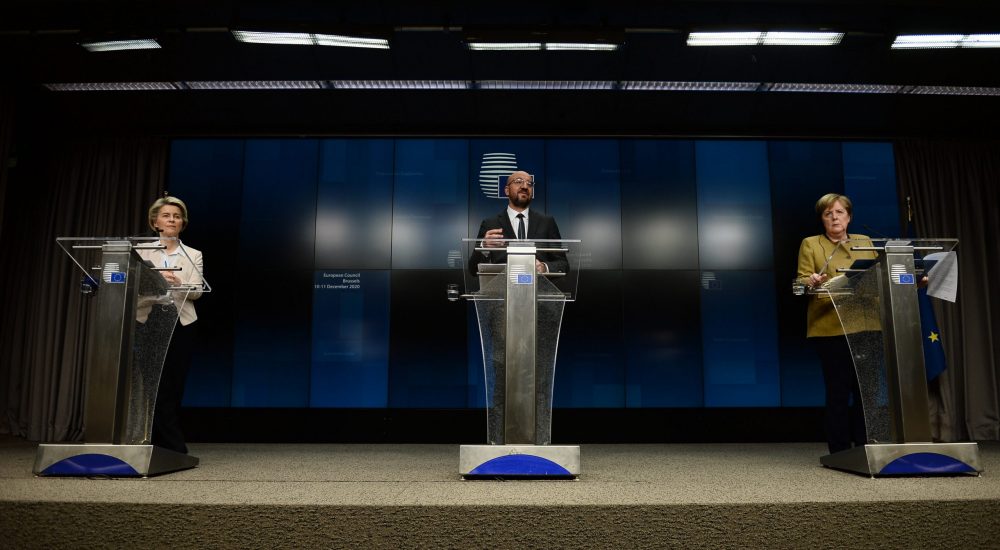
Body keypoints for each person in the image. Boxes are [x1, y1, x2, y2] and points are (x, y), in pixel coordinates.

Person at [796, 193, 878, 455]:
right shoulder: (811, 244)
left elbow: (879, 275)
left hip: (867, 324)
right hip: (831, 327)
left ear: (849, 217)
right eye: (828, 213)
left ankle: (867, 447)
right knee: (839, 391)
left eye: (840, 212)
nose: (834, 217)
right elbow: (799, 284)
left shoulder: (864, 241)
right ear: (822, 219)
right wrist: (809, 282)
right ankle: (840, 451)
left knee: (867, 391)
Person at [136, 196, 204, 454]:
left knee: (174, 384)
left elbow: (197, 291)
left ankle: (164, 442)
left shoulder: (193, 254)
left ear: (182, 223)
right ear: (155, 222)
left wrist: (178, 283)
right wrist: (155, 282)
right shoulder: (141, 251)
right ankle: (169, 443)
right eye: (166, 215)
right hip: (149, 319)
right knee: (154, 383)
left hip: (181, 323)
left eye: (177, 216)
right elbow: (134, 287)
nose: (172, 220)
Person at [469, 170, 568, 275]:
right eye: (518, 181)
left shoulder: (547, 222)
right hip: (502, 285)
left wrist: (544, 268)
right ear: (507, 190)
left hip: (538, 284)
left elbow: (563, 264)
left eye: (529, 184)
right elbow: (473, 269)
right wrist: (483, 247)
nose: (525, 186)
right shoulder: (490, 224)